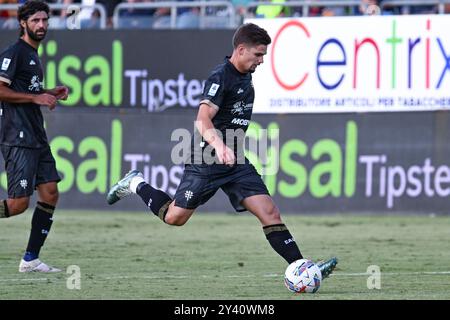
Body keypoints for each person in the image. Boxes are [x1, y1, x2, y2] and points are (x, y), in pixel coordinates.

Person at [107, 23, 337, 277]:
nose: (261, 61)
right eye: (258, 54)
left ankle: (302, 268)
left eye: (263, 55)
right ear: (240, 49)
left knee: (269, 211)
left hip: (235, 160)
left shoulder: (245, 75)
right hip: (206, 159)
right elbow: (202, 119)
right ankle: (136, 183)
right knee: (174, 217)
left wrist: (229, 150)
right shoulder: (220, 77)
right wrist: (219, 146)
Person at [0, 0, 69, 273]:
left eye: (44, 20)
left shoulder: (32, 54)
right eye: (35, 21)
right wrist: (37, 96)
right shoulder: (15, 52)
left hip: (35, 135)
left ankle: (30, 259)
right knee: (18, 205)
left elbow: (28, 91)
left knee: (50, 192)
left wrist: (49, 92)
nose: (41, 25)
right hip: (18, 135)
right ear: (22, 23)